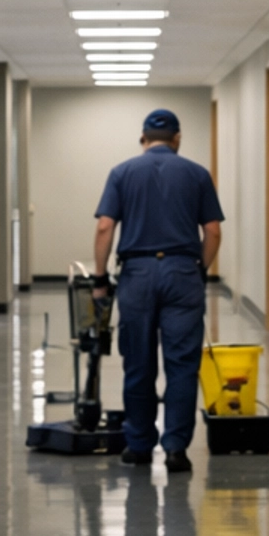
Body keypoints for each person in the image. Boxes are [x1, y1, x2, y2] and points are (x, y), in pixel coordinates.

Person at [92, 107, 223, 474]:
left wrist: (101, 280)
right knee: (182, 366)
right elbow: (212, 232)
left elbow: (105, 228)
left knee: (138, 362)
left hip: (137, 274)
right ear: (177, 139)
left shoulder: (122, 172)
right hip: (183, 271)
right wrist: (198, 270)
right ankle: (177, 449)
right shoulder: (198, 174)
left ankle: (139, 446)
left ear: (143, 139)